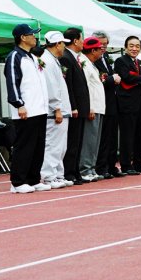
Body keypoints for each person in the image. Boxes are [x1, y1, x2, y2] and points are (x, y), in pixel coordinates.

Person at [4, 23, 49, 194]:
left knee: (38, 146)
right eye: (32, 34)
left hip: (39, 109)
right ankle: (17, 181)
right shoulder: (15, 56)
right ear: (23, 37)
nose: (35, 37)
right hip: (26, 110)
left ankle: (33, 179)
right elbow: (12, 82)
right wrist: (18, 104)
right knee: (24, 146)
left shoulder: (31, 57)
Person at [115, 35, 141, 175]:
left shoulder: (139, 62)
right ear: (126, 47)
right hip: (127, 104)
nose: (134, 48)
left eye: (137, 46)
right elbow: (127, 77)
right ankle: (126, 165)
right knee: (127, 136)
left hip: (140, 104)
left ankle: (140, 164)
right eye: (131, 46)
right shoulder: (120, 61)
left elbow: (140, 81)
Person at [39, 31, 72, 189]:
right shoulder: (47, 61)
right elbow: (51, 88)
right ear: (57, 44)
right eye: (63, 43)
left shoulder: (53, 60)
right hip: (55, 111)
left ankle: (58, 174)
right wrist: (56, 107)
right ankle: (48, 176)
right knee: (53, 145)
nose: (64, 46)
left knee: (61, 146)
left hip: (61, 109)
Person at [59, 27, 90, 184]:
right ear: (76, 40)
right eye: (82, 38)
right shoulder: (66, 58)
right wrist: (73, 106)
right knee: (72, 142)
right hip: (74, 108)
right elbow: (68, 85)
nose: (83, 42)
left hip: (82, 107)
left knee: (78, 142)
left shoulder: (76, 58)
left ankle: (75, 171)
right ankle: (69, 172)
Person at [92, 30, 123, 179]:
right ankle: (101, 166)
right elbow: (99, 80)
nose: (103, 47)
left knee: (111, 136)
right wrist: (111, 79)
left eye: (105, 44)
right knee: (103, 137)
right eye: (100, 44)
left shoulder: (105, 56)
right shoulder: (91, 59)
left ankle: (111, 165)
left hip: (112, 101)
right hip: (101, 101)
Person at [78, 36, 106, 182]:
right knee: (89, 139)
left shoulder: (92, 64)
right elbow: (86, 87)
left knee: (95, 140)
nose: (102, 52)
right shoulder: (84, 63)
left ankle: (91, 167)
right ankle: (85, 168)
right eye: (99, 49)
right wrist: (90, 107)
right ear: (93, 50)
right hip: (92, 107)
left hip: (99, 107)